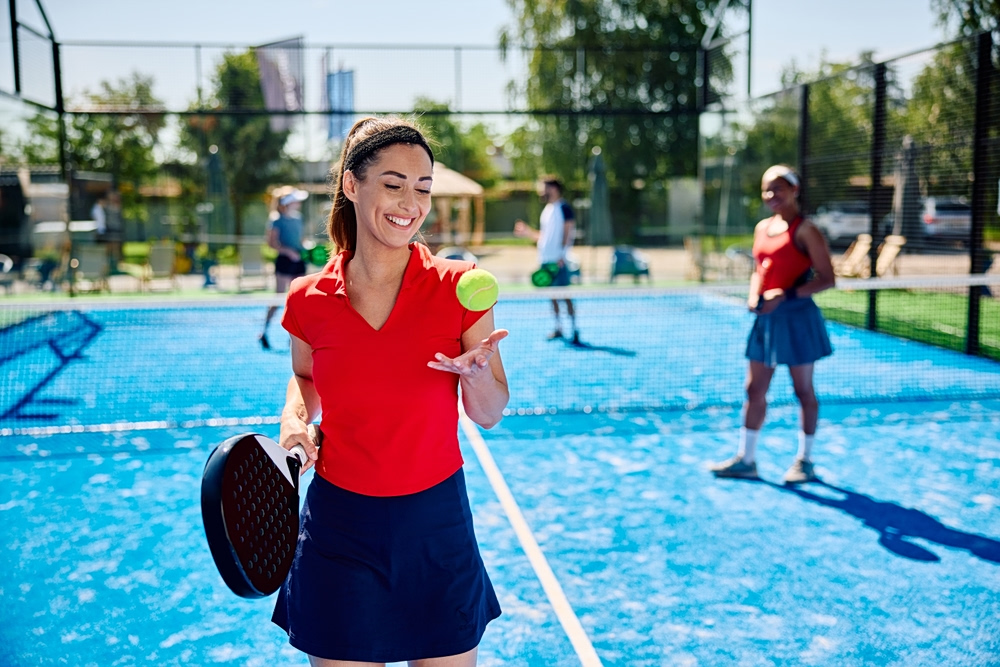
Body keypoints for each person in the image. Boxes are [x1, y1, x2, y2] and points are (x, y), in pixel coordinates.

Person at [271, 116, 509, 666]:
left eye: (423, 188)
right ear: (352, 185)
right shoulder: (307, 298)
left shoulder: (460, 286)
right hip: (339, 529)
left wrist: (477, 376)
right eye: (394, 184)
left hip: (437, 526)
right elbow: (305, 378)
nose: (410, 203)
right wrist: (294, 418)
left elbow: (490, 413)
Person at [709, 164, 836, 485]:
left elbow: (827, 279)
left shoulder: (806, 231)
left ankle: (805, 461)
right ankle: (746, 460)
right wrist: (755, 294)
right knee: (754, 390)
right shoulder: (762, 227)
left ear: (794, 190)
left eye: (778, 188)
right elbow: (760, 270)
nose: (771, 195)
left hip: (798, 320)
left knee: (803, 391)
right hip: (766, 321)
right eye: (766, 189)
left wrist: (785, 294)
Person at [513, 177, 581, 345]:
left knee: (565, 296)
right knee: (552, 296)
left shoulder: (564, 208)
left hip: (558, 262)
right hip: (545, 261)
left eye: (544, 188)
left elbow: (568, 233)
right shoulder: (548, 210)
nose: (541, 192)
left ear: (554, 189)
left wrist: (562, 256)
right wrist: (527, 232)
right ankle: (559, 328)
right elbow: (544, 237)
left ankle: (574, 330)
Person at [259, 185, 309, 350]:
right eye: (295, 200)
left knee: (299, 299)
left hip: (299, 261)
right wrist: (288, 252)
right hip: (284, 262)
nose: (299, 203)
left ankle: (295, 337)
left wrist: (307, 248)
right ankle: (264, 331)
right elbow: (271, 243)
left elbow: (301, 240)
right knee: (278, 297)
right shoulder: (276, 220)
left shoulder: (298, 218)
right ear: (287, 202)